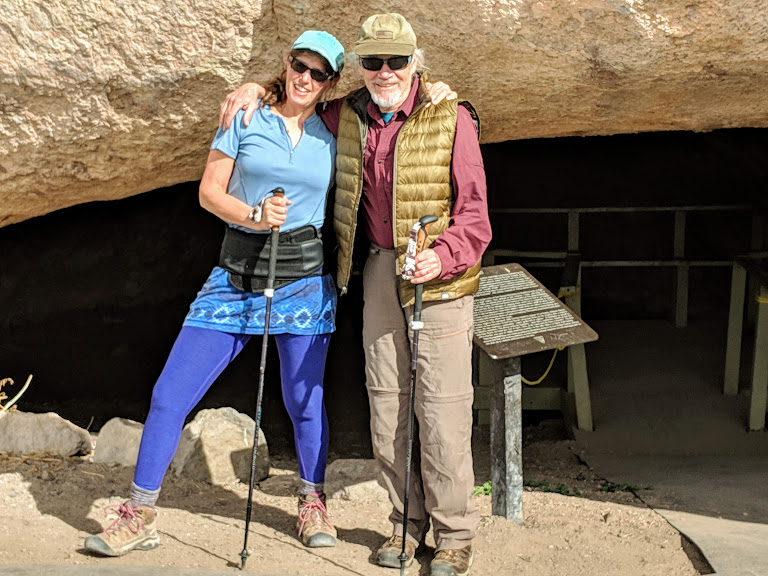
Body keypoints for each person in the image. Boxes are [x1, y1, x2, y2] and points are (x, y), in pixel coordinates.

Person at [220, 13, 492, 576]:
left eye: (397, 60)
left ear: (415, 62)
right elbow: (295, 98)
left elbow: (475, 215)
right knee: (387, 403)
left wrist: (442, 256)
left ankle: (453, 535)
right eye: (373, 61)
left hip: (439, 276)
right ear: (360, 67)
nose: (385, 71)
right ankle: (405, 523)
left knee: (441, 408)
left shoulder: (451, 116)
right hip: (380, 269)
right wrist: (255, 88)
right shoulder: (344, 114)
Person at [84, 30, 347, 557]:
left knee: (304, 402)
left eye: (319, 73)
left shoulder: (336, 128)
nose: (306, 78)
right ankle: (140, 513)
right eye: (300, 65)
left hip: (303, 282)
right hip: (236, 275)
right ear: (287, 63)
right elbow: (209, 192)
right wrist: (254, 214)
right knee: (169, 395)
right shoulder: (245, 116)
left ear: (331, 82)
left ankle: (312, 501)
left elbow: (393, 99)